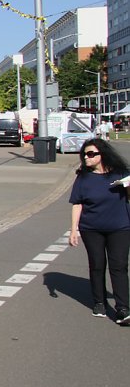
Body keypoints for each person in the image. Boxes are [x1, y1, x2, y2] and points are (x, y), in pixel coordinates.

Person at [69, 138, 130, 325]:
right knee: (97, 264)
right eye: (84, 154)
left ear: (102, 155)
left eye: (91, 154)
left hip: (120, 227)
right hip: (91, 229)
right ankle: (99, 302)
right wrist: (74, 230)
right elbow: (77, 204)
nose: (86, 158)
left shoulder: (121, 174)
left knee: (119, 266)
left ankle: (123, 308)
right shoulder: (83, 178)